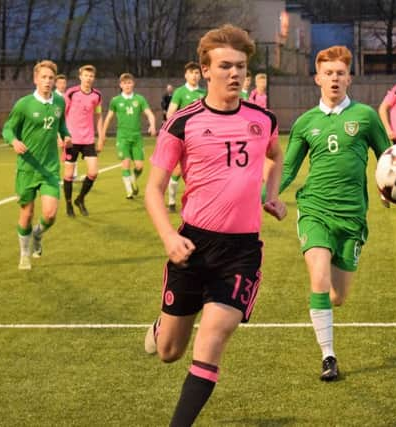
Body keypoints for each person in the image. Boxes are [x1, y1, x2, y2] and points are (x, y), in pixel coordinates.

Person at [143, 24, 286, 426]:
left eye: (240, 66)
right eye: (225, 66)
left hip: (241, 252)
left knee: (212, 338)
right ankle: (160, 326)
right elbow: (154, 190)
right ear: (205, 70)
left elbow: (276, 154)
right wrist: (169, 236)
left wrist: (271, 194)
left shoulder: (263, 118)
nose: (235, 74)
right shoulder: (182, 123)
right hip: (192, 246)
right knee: (170, 351)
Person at [278, 46, 396, 381]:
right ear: (317, 78)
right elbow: (287, 169)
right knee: (318, 276)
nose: (334, 78)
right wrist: (263, 196)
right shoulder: (305, 123)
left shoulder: (365, 117)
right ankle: (328, 357)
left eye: (340, 73)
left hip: (352, 218)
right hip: (315, 209)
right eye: (328, 73)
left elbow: (389, 159)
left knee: (338, 296)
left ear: (349, 77)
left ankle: (327, 319)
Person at [2, 60, 71, 270]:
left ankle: (38, 234)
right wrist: (14, 141)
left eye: (51, 78)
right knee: (27, 213)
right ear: (35, 79)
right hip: (27, 168)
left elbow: (62, 127)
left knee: (50, 215)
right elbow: (7, 129)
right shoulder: (24, 104)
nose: (47, 81)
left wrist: (66, 137)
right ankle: (24, 254)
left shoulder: (59, 103)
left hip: (49, 168)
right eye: (43, 77)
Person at [99, 73, 156, 199]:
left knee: (139, 166)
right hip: (122, 137)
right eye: (124, 83)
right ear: (120, 85)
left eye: (129, 83)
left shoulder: (139, 99)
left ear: (133, 84)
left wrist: (152, 125)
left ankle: (133, 178)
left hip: (137, 137)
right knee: (125, 163)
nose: (127, 85)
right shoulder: (115, 100)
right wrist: (102, 134)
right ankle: (129, 191)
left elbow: (150, 114)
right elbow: (108, 118)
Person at [63, 64, 104, 217]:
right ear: (80, 76)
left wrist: (101, 137)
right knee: (68, 175)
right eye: (86, 75)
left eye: (91, 76)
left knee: (93, 172)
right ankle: (68, 204)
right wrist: (62, 135)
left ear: (94, 78)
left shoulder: (97, 96)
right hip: (71, 139)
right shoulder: (71, 93)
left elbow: (99, 116)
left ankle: (79, 199)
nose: (88, 78)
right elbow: (62, 115)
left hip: (88, 139)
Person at [165, 62, 206, 213]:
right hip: (183, 137)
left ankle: (197, 203)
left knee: (198, 171)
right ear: (186, 75)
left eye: (197, 73)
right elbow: (170, 113)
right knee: (177, 171)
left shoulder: (204, 93)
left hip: (200, 139)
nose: (194, 76)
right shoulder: (180, 92)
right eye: (191, 73)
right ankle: (171, 200)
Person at [55, 74, 78, 180]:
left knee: (71, 149)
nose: (62, 85)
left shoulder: (68, 96)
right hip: (55, 128)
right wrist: (58, 136)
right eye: (59, 83)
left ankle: (73, 174)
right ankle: (55, 176)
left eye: (64, 83)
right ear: (55, 84)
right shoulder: (53, 97)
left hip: (68, 128)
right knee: (55, 153)